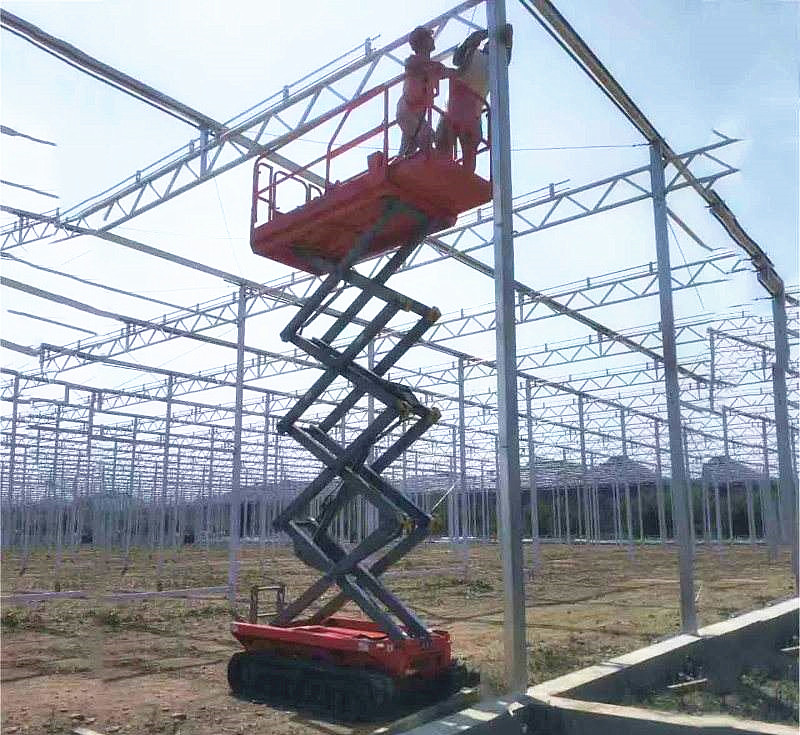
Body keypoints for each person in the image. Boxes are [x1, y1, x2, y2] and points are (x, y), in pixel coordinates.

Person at [435, 24, 513, 173]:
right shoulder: (486, 59)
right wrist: (487, 34)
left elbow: (458, 60)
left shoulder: (496, 64)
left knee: (452, 151)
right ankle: (455, 178)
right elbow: (458, 59)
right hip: (464, 114)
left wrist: (492, 34)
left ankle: (452, 178)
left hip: (456, 112)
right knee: (457, 154)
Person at [396, 26, 455, 157]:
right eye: (429, 37)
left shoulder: (431, 66)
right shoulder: (414, 61)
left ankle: (395, 169)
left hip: (416, 113)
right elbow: (412, 64)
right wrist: (436, 69)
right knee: (426, 139)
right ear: (422, 42)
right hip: (408, 111)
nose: (432, 39)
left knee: (407, 151)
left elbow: (453, 73)